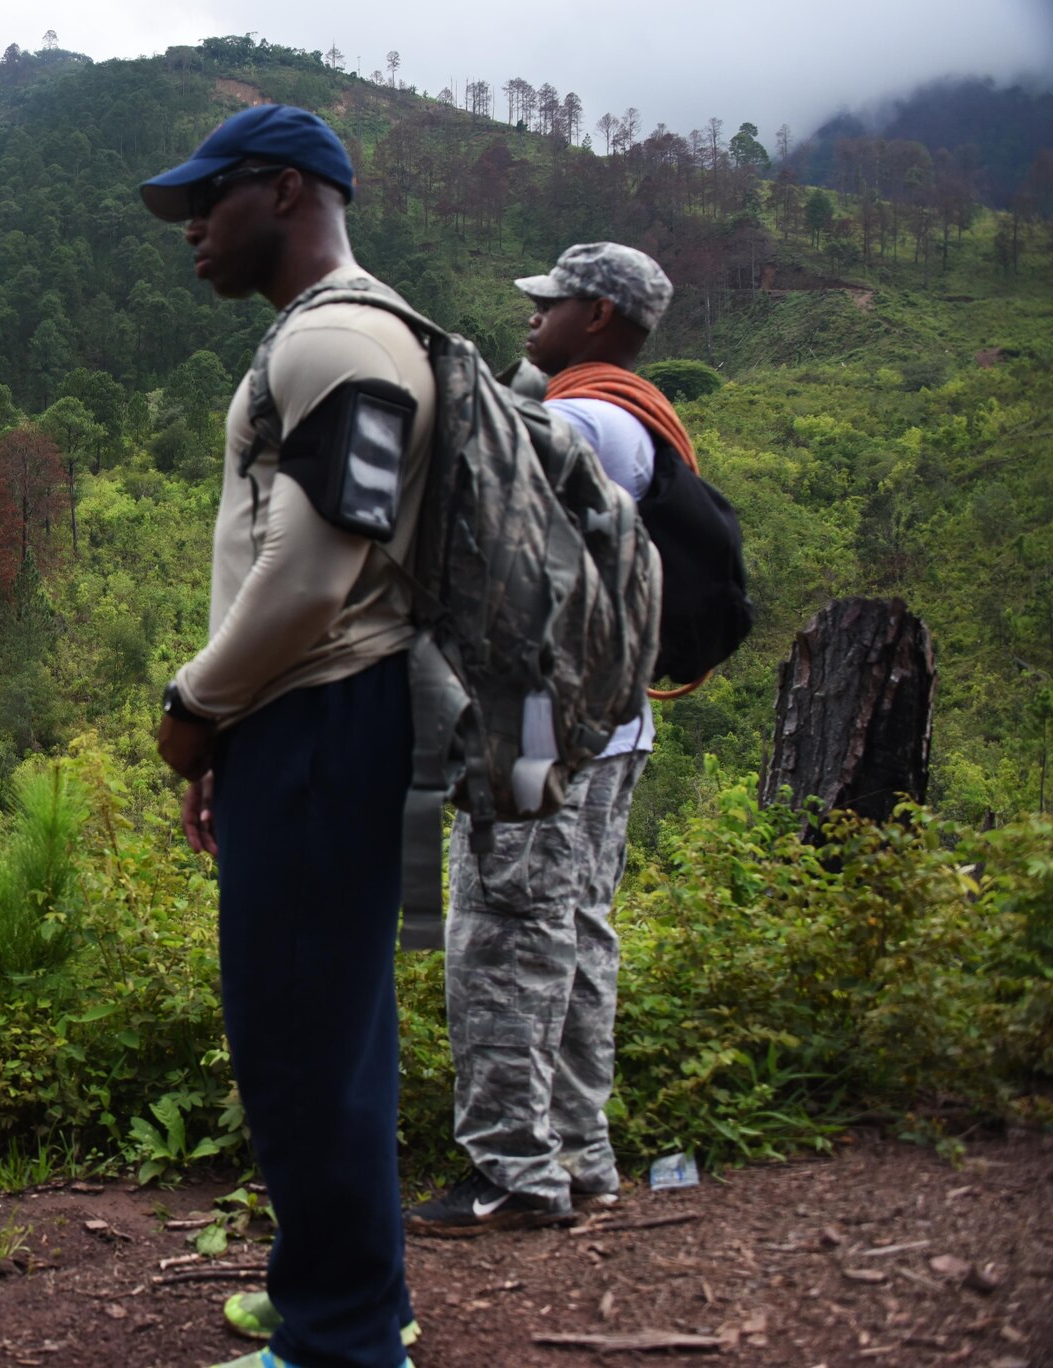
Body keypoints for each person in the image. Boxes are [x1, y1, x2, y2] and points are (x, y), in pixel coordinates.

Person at [144, 104, 431, 1368]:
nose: (192, 228)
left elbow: (312, 579)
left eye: (209, 201)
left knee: (302, 1036)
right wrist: (232, 741)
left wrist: (193, 710)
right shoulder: (327, 339)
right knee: (321, 1024)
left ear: (284, 189)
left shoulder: (344, 345)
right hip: (302, 722)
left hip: (319, 709)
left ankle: (342, 1342)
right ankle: (342, 1293)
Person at [406, 242, 680, 1237]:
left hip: (534, 727)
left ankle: (513, 1172)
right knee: (577, 927)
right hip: (614, 724)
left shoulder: (569, 423)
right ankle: (580, 1152)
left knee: (504, 929)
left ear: (598, 316)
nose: (532, 316)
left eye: (551, 303)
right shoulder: (641, 420)